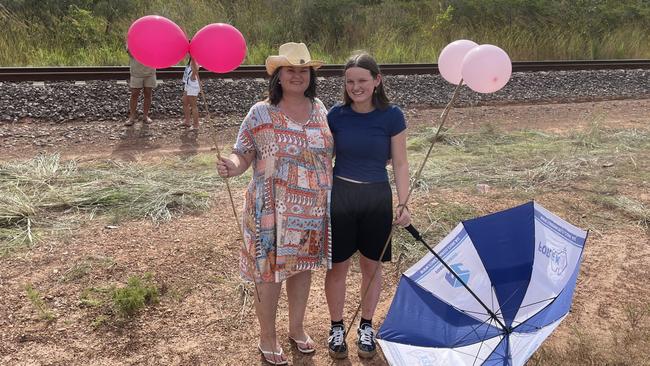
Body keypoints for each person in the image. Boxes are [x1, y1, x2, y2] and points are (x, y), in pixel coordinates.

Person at [216, 42, 333, 365]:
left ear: (310, 75)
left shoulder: (321, 108)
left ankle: (296, 328)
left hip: (311, 210)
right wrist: (232, 165)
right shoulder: (261, 112)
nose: (297, 75)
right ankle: (267, 336)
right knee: (267, 275)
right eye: (290, 70)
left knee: (301, 269)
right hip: (269, 211)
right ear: (278, 76)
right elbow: (243, 152)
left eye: (302, 70)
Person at [324, 52, 411, 359]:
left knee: (370, 267)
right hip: (342, 197)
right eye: (349, 81)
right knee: (338, 267)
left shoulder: (392, 116)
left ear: (377, 81)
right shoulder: (335, 115)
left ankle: (366, 326)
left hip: (376, 198)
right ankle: (336, 327)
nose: (355, 87)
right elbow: (323, 157)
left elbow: (400, 163)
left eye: (362, 80)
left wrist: (404, 202)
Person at [126, 49, 156, 126]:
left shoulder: (153, 38)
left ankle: (145, 116)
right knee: (134, 94)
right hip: (136, 72)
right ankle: (132, 117)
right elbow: (130, 53)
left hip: (150, 71)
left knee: (148, 93)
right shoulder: (132, 37)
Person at [182, 56, 201, 131]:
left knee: (193, 105)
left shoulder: (194, 58)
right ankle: (187, 121)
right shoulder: (191, 58)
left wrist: (193, 74)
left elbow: (196, 67)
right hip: (188, 83)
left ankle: (196, 125)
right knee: (185, 101)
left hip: (192, 84)